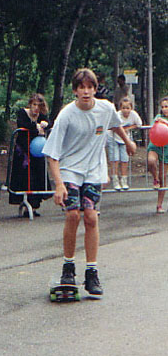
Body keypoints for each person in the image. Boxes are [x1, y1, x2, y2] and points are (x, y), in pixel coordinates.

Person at [42, 68, 136, 296]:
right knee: (73, 215)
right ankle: (68, 267)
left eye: (89, 87)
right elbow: (52, 154)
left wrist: (128, 142)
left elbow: (115, 124)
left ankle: (91, 273)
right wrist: (59, 184)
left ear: (95, 89)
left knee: (91, 217)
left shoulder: (105, 108)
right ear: (75, 91)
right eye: (81, 87)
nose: (86, 92)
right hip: (70, 170)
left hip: (94, 170)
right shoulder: (66, 115)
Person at [9, 93, 52, 217]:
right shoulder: (22, 113)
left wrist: (45, 124)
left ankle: (34, 205)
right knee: (25, 176)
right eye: (34, 105)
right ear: (30, 104)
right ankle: (24, 201)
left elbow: (49, 123)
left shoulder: (42, 115)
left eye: (39, 105)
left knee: (38, 175)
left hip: (37, 151)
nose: (36, 108)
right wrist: (35, 127)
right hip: (23, 151)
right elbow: (22, 125)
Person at [107, 97, 142, 191]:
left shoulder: (134, 115)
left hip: (125, 140)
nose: (125, 110)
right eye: (123, 108)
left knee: (124, 159)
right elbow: (111, 127)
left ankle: (124, 180)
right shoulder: (117, 115)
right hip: (113, 138)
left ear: (131, 108)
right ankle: (115, 180)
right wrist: (122, 129)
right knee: (115, 159)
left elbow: (139, 124)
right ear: (120, 108)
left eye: (128, 108)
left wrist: (128, 128)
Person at [147, 96, 168, 213]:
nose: (164, 109)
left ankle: (159, 205)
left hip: (167, 150)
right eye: (163, 107)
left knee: (163, 177)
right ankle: (155, 179)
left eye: (167, 106)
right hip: (155, 146)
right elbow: (154, 126)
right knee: (151, 161)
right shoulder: (158, 117)